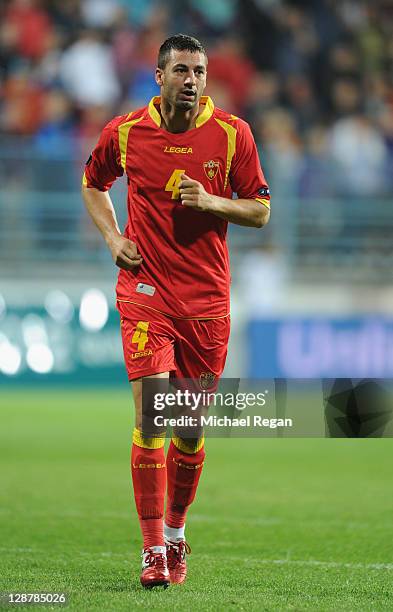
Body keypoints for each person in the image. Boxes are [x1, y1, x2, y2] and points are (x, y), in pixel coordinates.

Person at [81, 33, 270, 589]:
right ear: (159, 78)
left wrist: (211, 202)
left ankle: (176, 531)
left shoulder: (234, 135)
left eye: (200, 71)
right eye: (182, 70)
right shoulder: (125, 132)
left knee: (188, 430)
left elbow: (260, 211)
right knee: (152, 416)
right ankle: (151, 550)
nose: (192, 80)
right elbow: (94, 185)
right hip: (146, 294)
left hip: (207, 303)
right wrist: (114, 238)